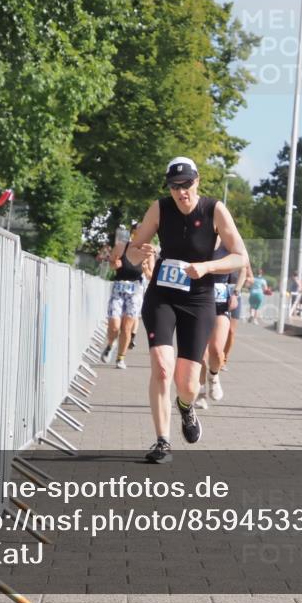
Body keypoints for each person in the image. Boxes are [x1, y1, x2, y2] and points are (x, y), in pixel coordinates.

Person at [126, 157, 247, 464]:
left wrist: (207, 266)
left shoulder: (214, 210)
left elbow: (239, 257)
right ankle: (162, 441)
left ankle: (186, 406)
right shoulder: (160, 208)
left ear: (198, 180)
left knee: (188, 382)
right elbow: (131, 250)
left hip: (199, 299)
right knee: (162, 367)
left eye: (187, 184)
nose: (181, 192)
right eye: (175, 186)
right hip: (162, 296)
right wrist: (141, 251)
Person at [100, 222, 152, 369]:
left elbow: (151, 276)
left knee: (127, 327)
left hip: (135, 291)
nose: (139, 236)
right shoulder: (122, 246)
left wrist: (146, 270)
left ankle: (120, 358)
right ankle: (111, 344)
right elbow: (111, 262)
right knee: (114, 325)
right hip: (118, 288)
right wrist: (114, 264)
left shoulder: (148, 252)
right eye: (136, 232)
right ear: (132, 233)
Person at [196, 241, 235, 409]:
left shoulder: (228, 246)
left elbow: (244, 267)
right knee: (200, 353)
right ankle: (201, 393)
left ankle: (214, 376)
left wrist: (237, 292)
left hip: (220, 303)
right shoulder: (198, 242)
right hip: (199, 301)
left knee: (217, 350)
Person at [223, 262, 251, 370]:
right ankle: (215, 356)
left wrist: (247, 281)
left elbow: (250, 278)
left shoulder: (242, 258)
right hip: (219, 292)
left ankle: (224, 358)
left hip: (235, 294)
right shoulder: (219, 253)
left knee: (231, 331)